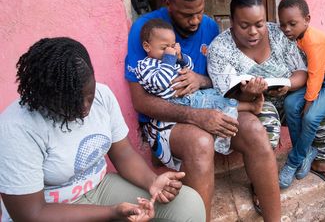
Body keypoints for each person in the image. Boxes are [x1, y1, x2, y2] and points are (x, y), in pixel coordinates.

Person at [0, 37, 205, 222]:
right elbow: (31, 214)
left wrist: (152, 182)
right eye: (70, 103)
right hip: (52, 209)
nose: (84, 107)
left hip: (99, 188)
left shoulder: (103, 96)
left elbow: (122, 153)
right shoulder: (17, 127)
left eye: (88, 96)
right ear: (45, 97)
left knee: (188, 205)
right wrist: (111, 213)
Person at [124, 0, 229, 220]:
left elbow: (218, 79)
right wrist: (195, 116)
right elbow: (141, 101)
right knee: (201, 142)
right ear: (168, 4)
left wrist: (200, 79)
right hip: (162, 119)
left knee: (254, 128)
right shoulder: (147, 30)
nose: (195, 21)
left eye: (199, 12)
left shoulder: (210, 27)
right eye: (186, 14)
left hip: (201, 102)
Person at [207, 0, 308, 221]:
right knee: (266, 126)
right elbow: (227, 98)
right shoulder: (220, 49)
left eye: (259, 24)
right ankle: (261, 181)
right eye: (244, 26)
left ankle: (316, 159)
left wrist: (288, 84)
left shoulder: (277, 33)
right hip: (254, 104)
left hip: (288, 94)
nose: (254, 32)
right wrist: (249, 95)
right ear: (231, 22)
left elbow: (302, 70)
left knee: (318, 107)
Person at [133, 18, 263, 162]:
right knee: (216, 103)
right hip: (177, 102)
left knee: (217, 97)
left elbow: (190, 66)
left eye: (172, 45)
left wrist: (180, 57)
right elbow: (161, 82)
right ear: (147, 46)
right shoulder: (145, 66)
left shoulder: (170, 58)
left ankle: (251, 106)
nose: (169, 50)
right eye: (164, 47)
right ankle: (244, 113)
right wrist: (169, 59)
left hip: (192, 95)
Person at [277, 0, 325, 189]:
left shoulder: (313, 41)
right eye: (283, 24)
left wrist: (309, 105)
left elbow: (316, 76)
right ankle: (305, 153)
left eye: (292, 24)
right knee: (290, 104)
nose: (287, 29)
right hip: (320, 79)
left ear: (307, 20)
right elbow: (313, 75)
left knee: (310, 117)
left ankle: (293, 162)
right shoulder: (298, 37)